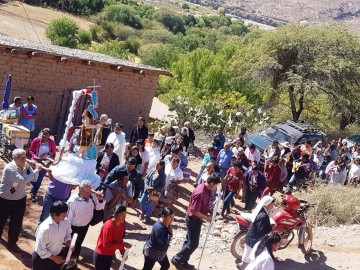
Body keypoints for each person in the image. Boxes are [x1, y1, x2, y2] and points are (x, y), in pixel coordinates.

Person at [171, 173, 221, 269]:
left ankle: (183, 261)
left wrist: (209, 213)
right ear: (212, 183)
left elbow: (203, 205)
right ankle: (177, 259)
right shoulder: (200, 192)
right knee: (193, 243)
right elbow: (194, 211)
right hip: (193, 219)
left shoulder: (206, 190)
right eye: (216, 185)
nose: (216, 187)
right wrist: (207, 218)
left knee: (188, 242)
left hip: (196, 219)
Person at [0, 149, 42, 252]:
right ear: (14, 158)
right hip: (5, 199)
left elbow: (34, 179)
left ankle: (12, 243)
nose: (24, 159)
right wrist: (36, 170)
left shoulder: (26, 165)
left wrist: (35, 170)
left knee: (17, 222)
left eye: (25, 156)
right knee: (1, 220)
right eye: (21, 157)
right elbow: (23, 180)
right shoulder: (10, 168)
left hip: (20, 199)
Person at [67, 180, 105, 261]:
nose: (88, 194)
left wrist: (100, 200)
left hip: (85, 226)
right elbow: (68, 218)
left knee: (78, 245)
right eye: (86, 192)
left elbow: (98, 208)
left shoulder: (92, 196)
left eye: (89, 191)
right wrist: (67, 231)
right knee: (71, 246)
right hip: (74, 227)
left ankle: (73, 262)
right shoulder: (73, 201)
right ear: (80, 190)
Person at [32, 201, 73, 270]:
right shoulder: (44, 228)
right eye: (63, 214)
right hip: (42, 260)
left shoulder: (66, 222)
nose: (65, 216)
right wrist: (54, 258)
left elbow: (67, 234)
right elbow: (40, 249)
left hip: (57, 256)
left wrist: (69, 242)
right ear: (54, 214)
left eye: (66, 213)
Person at [239, 196, 275, 268]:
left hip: (252, 238)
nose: (273, 205)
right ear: (267, 204)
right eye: (272, 204)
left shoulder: (262, 211)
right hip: (254, 240)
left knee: (247, 260)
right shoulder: (263, 215)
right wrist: (271, 227)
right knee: (247, 262)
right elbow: (261, 230)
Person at [93, 205, 132, 270]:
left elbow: (120, 240)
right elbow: (106, 245)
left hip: (109, 254)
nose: (124, 217)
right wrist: (123, 245)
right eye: (122, 215)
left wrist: (122, 252)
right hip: (101, 255)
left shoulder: (122, 224)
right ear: (115, 215)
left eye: (125, 215)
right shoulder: (108, 226)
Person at [29, 128, 57, 201]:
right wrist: (36, 157)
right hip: (36, 161)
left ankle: (34, 194)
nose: (44, 135)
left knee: (39, 179)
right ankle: (34, 187)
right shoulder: (36, 140)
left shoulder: (52, 143)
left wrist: (49, 157)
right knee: (32, 176)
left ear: (49, 135)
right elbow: (31, 150)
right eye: (43, 133)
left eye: (46, 134)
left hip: (45, 163)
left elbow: (53, 153)